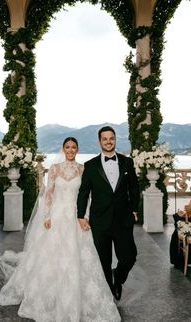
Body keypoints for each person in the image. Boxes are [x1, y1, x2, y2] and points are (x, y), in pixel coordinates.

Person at [0, 137, 121, 322]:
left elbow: (87, 195)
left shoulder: (82, 169)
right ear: (63, 149)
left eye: (74, 147)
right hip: (57, 215)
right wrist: (47, 215)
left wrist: (85, 216)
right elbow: (49, 193)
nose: (70, 150)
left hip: (76, 217)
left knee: (78, 254)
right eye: (67, 147)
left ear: (77, 150)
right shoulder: (54, 168)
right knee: (52, 255)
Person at [77, 125, 139, 301]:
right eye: (104, 138)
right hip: (100, 220)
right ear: (99, 141)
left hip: (123, 219)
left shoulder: (127, 162)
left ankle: (118, 278)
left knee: (129, 257)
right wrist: (80, 216)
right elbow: (84, 192)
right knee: (103, 261)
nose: (108, 141)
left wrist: (134, 208)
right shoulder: (90, 165)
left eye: (111, 138)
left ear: (115, 139)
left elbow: (134, 187)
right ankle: (110, 293)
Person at [169, 194, 191, 268]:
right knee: (178, 221)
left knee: (178, 226)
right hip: (190, 220)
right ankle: (185, 259)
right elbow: (189, 212)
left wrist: (190, 208)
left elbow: (189, 211)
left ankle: (181, 260)